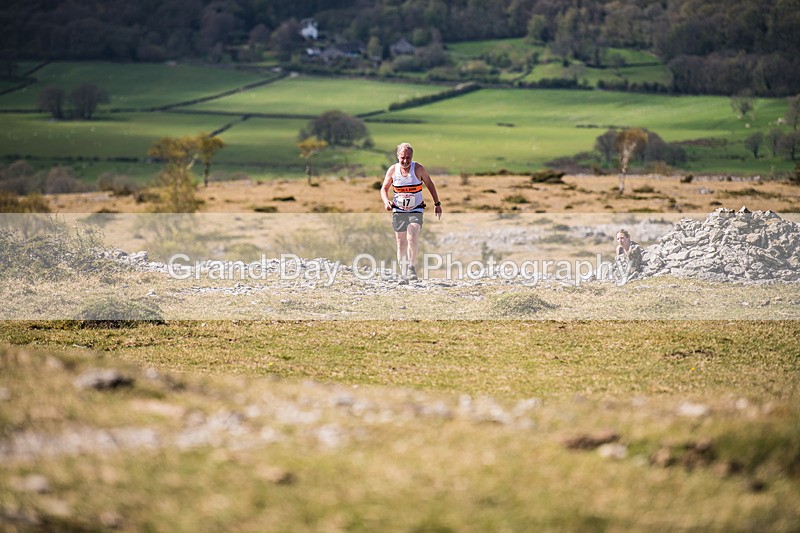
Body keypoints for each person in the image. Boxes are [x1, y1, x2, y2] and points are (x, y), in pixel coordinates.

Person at [381, 142, 442, 281]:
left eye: (408, 157)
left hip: (416, 209)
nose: (405, 161)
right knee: (400, 242)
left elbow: (430, 184)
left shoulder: (418, 169)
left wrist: (437, 203)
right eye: (402, 157)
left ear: (412, 157)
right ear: (397, 156)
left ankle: (411, 266)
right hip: (398, 210)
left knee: (412, 236)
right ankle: (403, 273)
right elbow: (384, 188)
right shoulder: (392, 170)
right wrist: (386, 201)